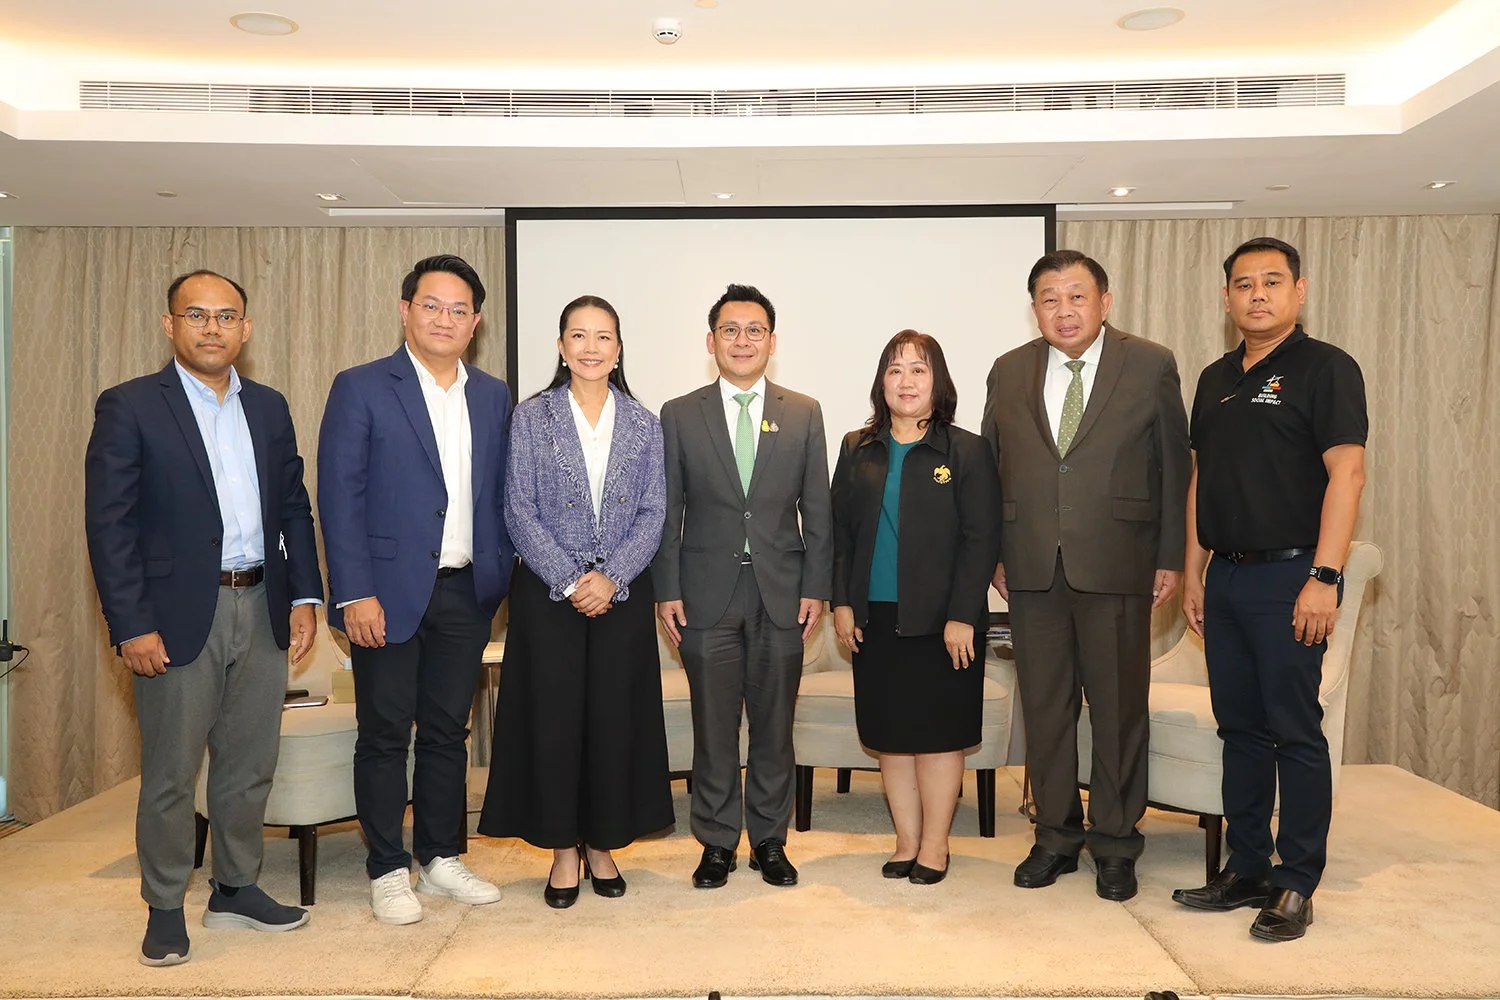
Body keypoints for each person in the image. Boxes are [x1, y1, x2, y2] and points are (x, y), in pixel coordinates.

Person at [85, 269, 320, 966]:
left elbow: (293, 507)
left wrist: (305, 595)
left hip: (263, 603)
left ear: (246, 328)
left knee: (249, 763)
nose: (212, 327)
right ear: (170, 325)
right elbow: (109, 525)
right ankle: (164, 906)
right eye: (197, 315)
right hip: (177, 615)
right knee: (171, 772)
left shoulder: (269, 407)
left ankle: (236, 888)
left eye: (226, 316)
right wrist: (130, 623)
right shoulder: (130, 406)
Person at [981, 250, 1191, 902]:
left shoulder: (1150, 363)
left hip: (1120, 562)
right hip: (1031, 566)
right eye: (1050, 298)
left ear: (1104, 302)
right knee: (1046, 710)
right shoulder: (1009, 369)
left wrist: (1171, 556)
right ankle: (1055, 836)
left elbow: (1173, 466)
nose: (1064, 310)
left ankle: (1117, 842)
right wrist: (993, 554)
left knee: (1119, 709)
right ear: (1034, 308)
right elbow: (991, 469)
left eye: (1077, 296)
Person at [1173, 236, 1366, 942]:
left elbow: (1348, 473)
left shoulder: (1326, 368)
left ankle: (1296, 881)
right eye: (1244, 284)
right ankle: (1247, 866)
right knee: (1241, 729)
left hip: (1292, 575)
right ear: (1226, 298)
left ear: (1299, 291)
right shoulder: (1214, 377)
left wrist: (1325, 576)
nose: (1257, 295)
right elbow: (1203, 478)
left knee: (1294, 729)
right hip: (1225, 576)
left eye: (1272, 282)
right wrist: (1194, 571)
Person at [317, 254, 515, 925]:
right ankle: (386, 866)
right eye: (432, 305)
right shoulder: (363, 386)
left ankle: (439, 856)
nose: (445, 319)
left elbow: (499, 493)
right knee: (383, 733)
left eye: (459, 310)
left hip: (466, 590)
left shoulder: (492, 395)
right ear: (406, 311)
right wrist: (353, 592)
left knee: (447, 734)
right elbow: (339, 496)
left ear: (476, 322)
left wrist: (499, 575)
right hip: (385, 593)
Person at [478, 295, 673, 908]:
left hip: (621, 596)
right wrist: (570, 579)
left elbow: (654, 511)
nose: (591, 347)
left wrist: (610, 576)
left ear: (619, 350)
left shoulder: (644, 422)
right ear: (561, 348)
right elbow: (517, 508)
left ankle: (603, 845)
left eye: (603, 337)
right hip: (548, 596)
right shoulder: (531, 417)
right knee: (554, 725)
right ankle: (564, 850)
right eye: (579, 336)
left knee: (615, 722)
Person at [652, 283, 832, 889]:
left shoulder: (803, 411)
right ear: (711, 341)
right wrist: (666, 589)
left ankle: (770, 841)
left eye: (755, 330)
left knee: (775, 726)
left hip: (783, 592)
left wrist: (817, 587)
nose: (742, 340)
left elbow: (818, 510)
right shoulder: (680, 413)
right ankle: (717, 842)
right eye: (730, 330)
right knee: (714, 727)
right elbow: (669, 511)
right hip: (705, 594)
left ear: (772, 342)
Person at [830, 331, 1000, 885]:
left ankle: (935, 845)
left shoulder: (966, 450)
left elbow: (981, 539)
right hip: (874, 616)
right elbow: (840, 534)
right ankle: (905, 841)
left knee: (939, 736)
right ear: (882, 381)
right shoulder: (857, 447)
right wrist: (842, 602)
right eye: (895, 369)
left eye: (919, 370)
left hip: (944, 621)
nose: (906, 381)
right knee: (892, 736)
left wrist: (963, 614)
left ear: (938, 381)